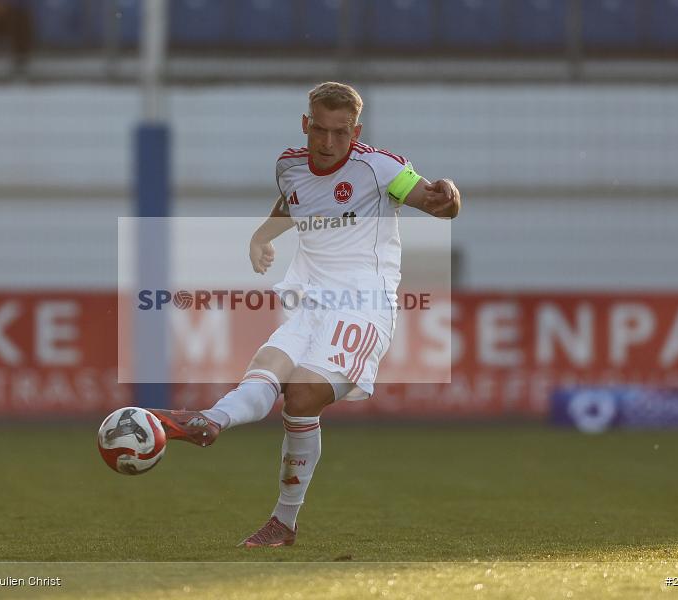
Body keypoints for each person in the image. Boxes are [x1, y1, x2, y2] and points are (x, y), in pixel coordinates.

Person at [150, 82, 460, 547]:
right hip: (311, 303)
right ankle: (210, 422)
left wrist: (448, 197)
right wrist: (261, 237)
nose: (329, 142)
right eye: (320, 130)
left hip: (364, 305)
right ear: (305, 124)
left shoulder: (380, 168)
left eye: (341, 133)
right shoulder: (289, 165)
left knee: (302, 395)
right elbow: (292, 203)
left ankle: (284, 518)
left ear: (355, 131)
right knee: (265, 374)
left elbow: (435, 203)